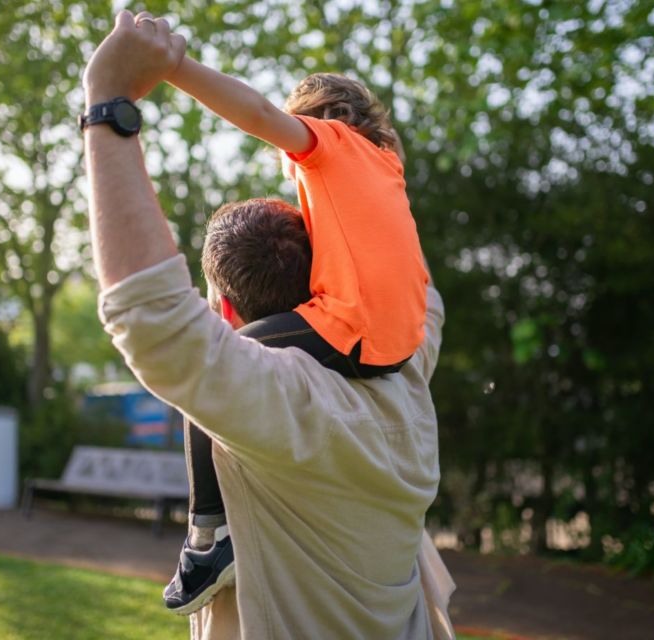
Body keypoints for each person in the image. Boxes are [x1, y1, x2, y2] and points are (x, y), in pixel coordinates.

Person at [81, 11, 452, 639]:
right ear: (317, 281)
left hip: (324, 331)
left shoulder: (284, 404)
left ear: (222, 307)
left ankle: (208, 535)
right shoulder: (410, 362)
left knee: (199, 398)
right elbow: (409, 273)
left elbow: (157, 325)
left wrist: (111, 97)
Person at [161, 28, 430, 614]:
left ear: (318, 119)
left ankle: (208, 537)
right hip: (403, 338)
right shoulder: (387, 164)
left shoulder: (327, 144)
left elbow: (253, 109)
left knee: (209, 369)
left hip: (354, 330)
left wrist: (172, 67)